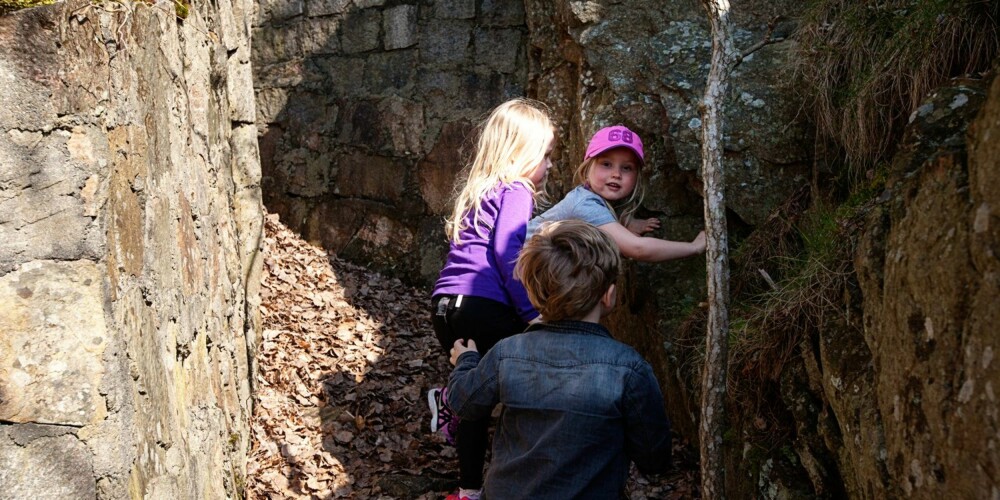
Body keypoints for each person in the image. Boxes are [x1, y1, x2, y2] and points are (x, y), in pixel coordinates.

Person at [446, 219, 673, 498]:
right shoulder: (629, 369)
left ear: (532, 292)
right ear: (609, 295)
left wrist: (467, 361)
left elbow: (464, 402)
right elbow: (655, 459)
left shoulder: (507, 353)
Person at [427, 98, 556, 500]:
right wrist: (531, 312)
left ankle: (468, 491)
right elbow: (506, 252)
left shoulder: (478, 191)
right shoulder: (517, 189)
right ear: (524, 153)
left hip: (445, 307)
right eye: (546, 155)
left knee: (476, 400)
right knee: (527, 375)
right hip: (485, 305)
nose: (550, 165)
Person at [527, 124, 706, 261]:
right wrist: (693, 247)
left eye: (626, 168)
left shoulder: (591, 198)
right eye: (606, 164)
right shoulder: (585, 204)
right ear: (587, 167)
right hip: (511, 268)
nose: (616, 174)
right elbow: (637, 249)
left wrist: (626, 223)